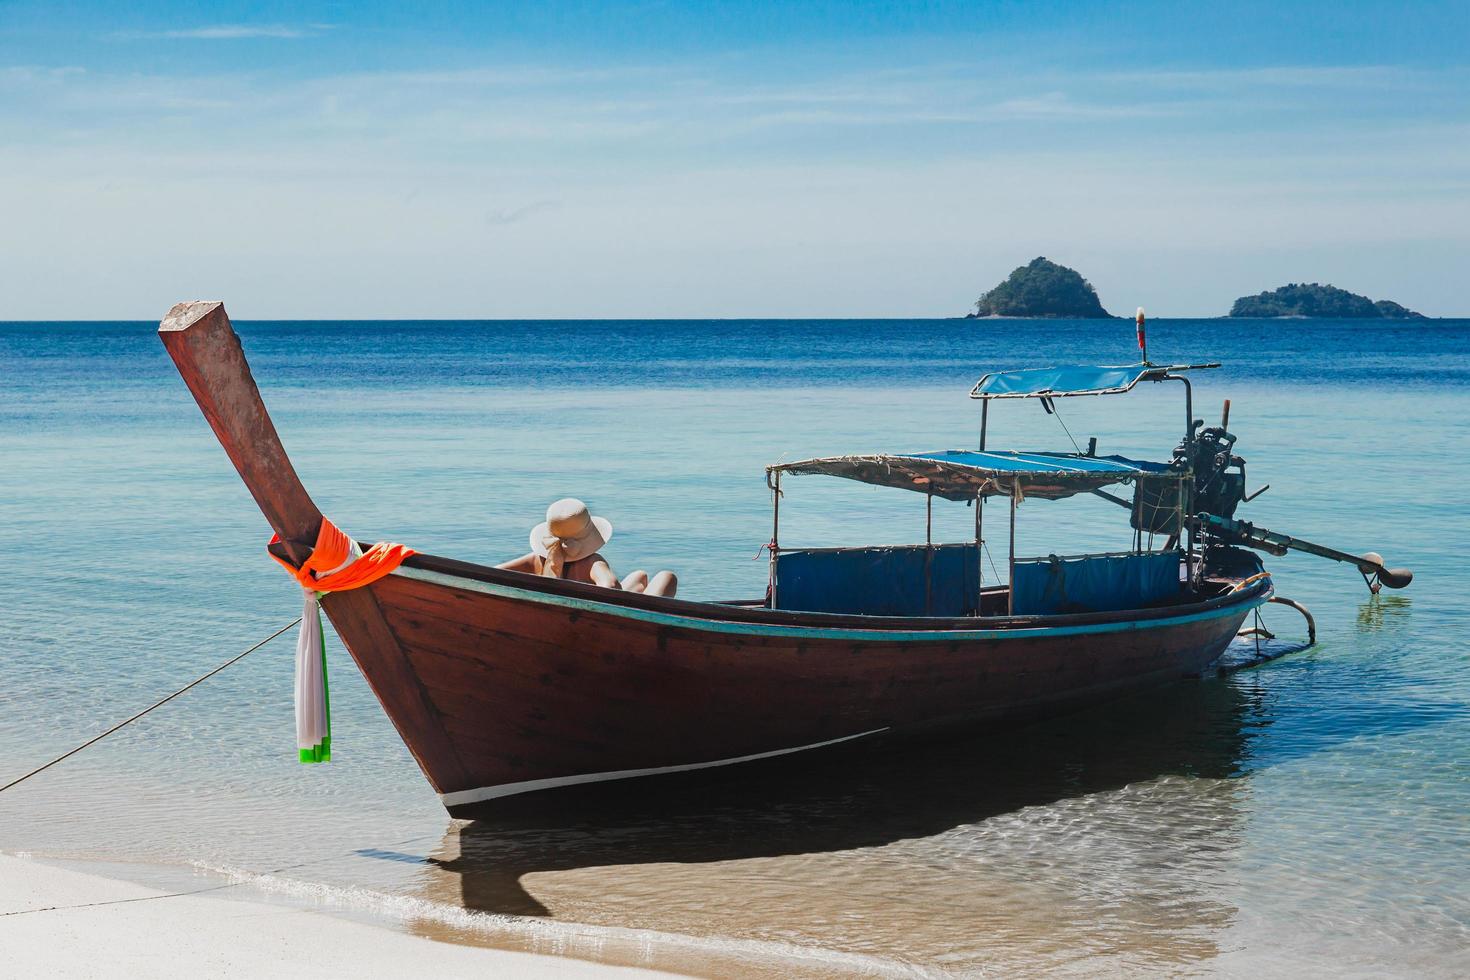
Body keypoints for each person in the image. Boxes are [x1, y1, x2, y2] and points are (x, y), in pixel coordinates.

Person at [498, 498, 678, 597]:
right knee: (667, 577)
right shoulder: (592, 562)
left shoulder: (536, 560)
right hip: (607, 622)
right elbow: (611, 586)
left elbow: (494, 574)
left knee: (640, 576)